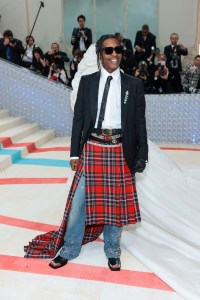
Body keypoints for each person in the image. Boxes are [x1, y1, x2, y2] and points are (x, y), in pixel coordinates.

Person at [24, 34, 148, 271]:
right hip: (91, 148)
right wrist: (73, 154)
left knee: (116, 205)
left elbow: (139, 123)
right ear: (100, 54)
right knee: (78, 203)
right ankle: (70, 248)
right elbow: (78, 120)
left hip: (120, 149)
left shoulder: (134, 84)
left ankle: (112, 251)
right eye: (109, 50)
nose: (114, 54)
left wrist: (142, 154)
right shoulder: (88, 82)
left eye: (118, 50)